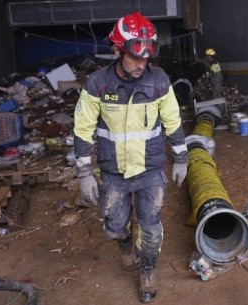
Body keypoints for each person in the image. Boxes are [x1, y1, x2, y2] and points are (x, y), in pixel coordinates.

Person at [73, 12, 188, 303]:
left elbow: (172, 120)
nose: (141, 65)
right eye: (135, 58)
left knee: (150, 225)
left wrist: (181, 157)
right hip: (114, 174)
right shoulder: (98, 85)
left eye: (146, 59)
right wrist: (84, 173)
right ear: (117, 51)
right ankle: (124, 243)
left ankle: (148, 269)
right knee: (114, 225)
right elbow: (83, 129)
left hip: (150, 171)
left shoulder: (159, 81)